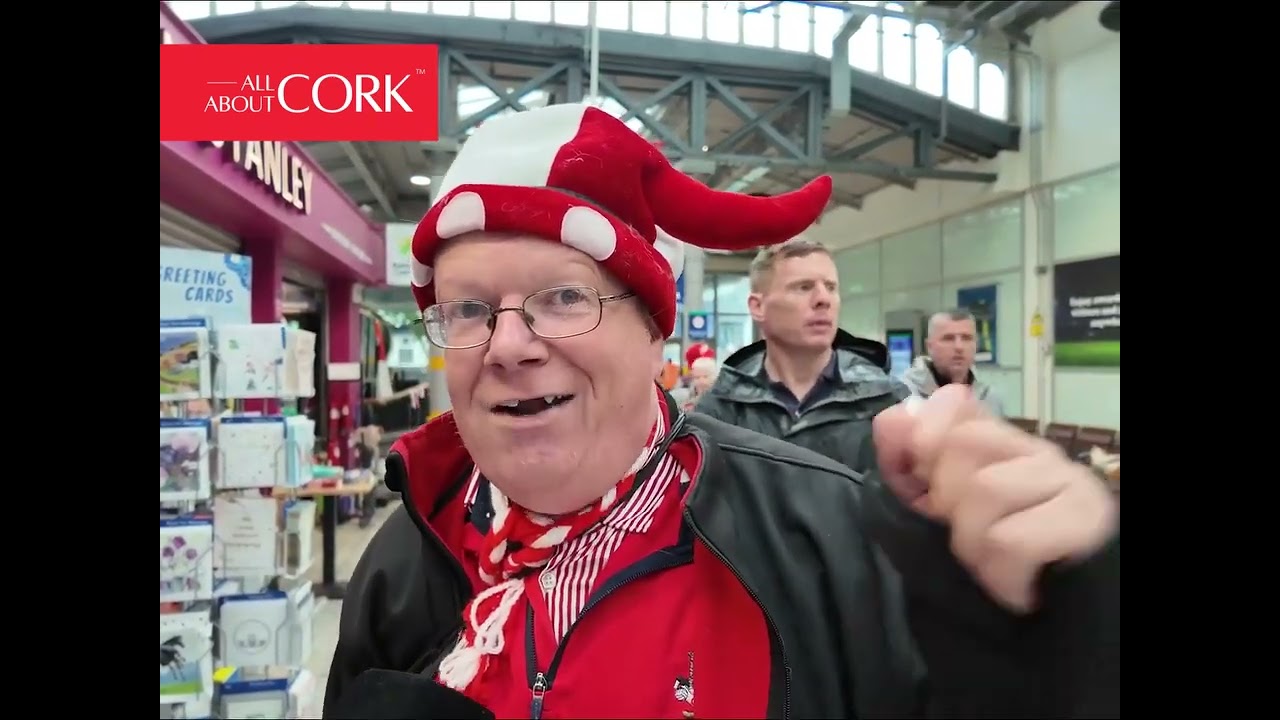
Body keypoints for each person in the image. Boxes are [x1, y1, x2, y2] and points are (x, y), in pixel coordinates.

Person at [324, 103, 1120, 719]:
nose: (506, 345)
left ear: (652, 335)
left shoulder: (825, 534)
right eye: (467, 310)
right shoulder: (407, 560)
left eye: (563, 297)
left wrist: (1064, 639)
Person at [694, 237, 904, 474]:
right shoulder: (721, 409)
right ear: (757, 307)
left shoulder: (886, 399)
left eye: (831, 287)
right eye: (804, 287)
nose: (823, 300)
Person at [902, 308, 1005, 416]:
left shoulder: (989, 398)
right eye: (948, 339)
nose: (959, 347)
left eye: (966, 338)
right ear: (929, 346)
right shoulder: (903, 396)